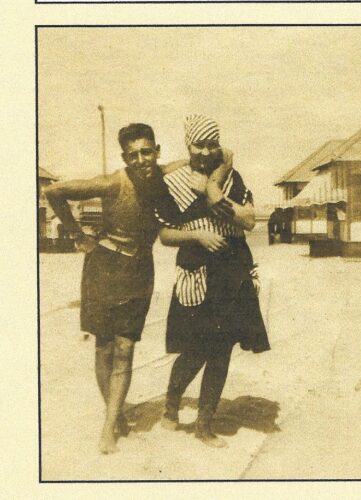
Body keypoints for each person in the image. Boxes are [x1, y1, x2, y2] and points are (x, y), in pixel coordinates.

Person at [43, 123, 164, 454]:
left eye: (147, 151)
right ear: (125, 158)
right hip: (105, 268)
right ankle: (113, 418)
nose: (141, 159)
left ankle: (110, 422)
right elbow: (53, 192)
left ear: (157, 151)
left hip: (140, 270)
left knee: (126, 350)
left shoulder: (164, 174)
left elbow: (212, 158)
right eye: (133, 154)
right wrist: (78, 235)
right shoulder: (112, 183)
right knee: (105, 348)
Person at [156, 114, 270, 448]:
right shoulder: (173, 181)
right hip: (197, 269)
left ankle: (204, 425)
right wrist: (197, 236)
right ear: (187, 145)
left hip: (232, 270)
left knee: (221, 350)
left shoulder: (231, 177)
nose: (206, 152)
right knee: (194, 349)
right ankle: (172, 405)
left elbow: (250, 220)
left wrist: (212, 189)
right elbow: (164, 234)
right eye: (199, 145)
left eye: (212, 145)